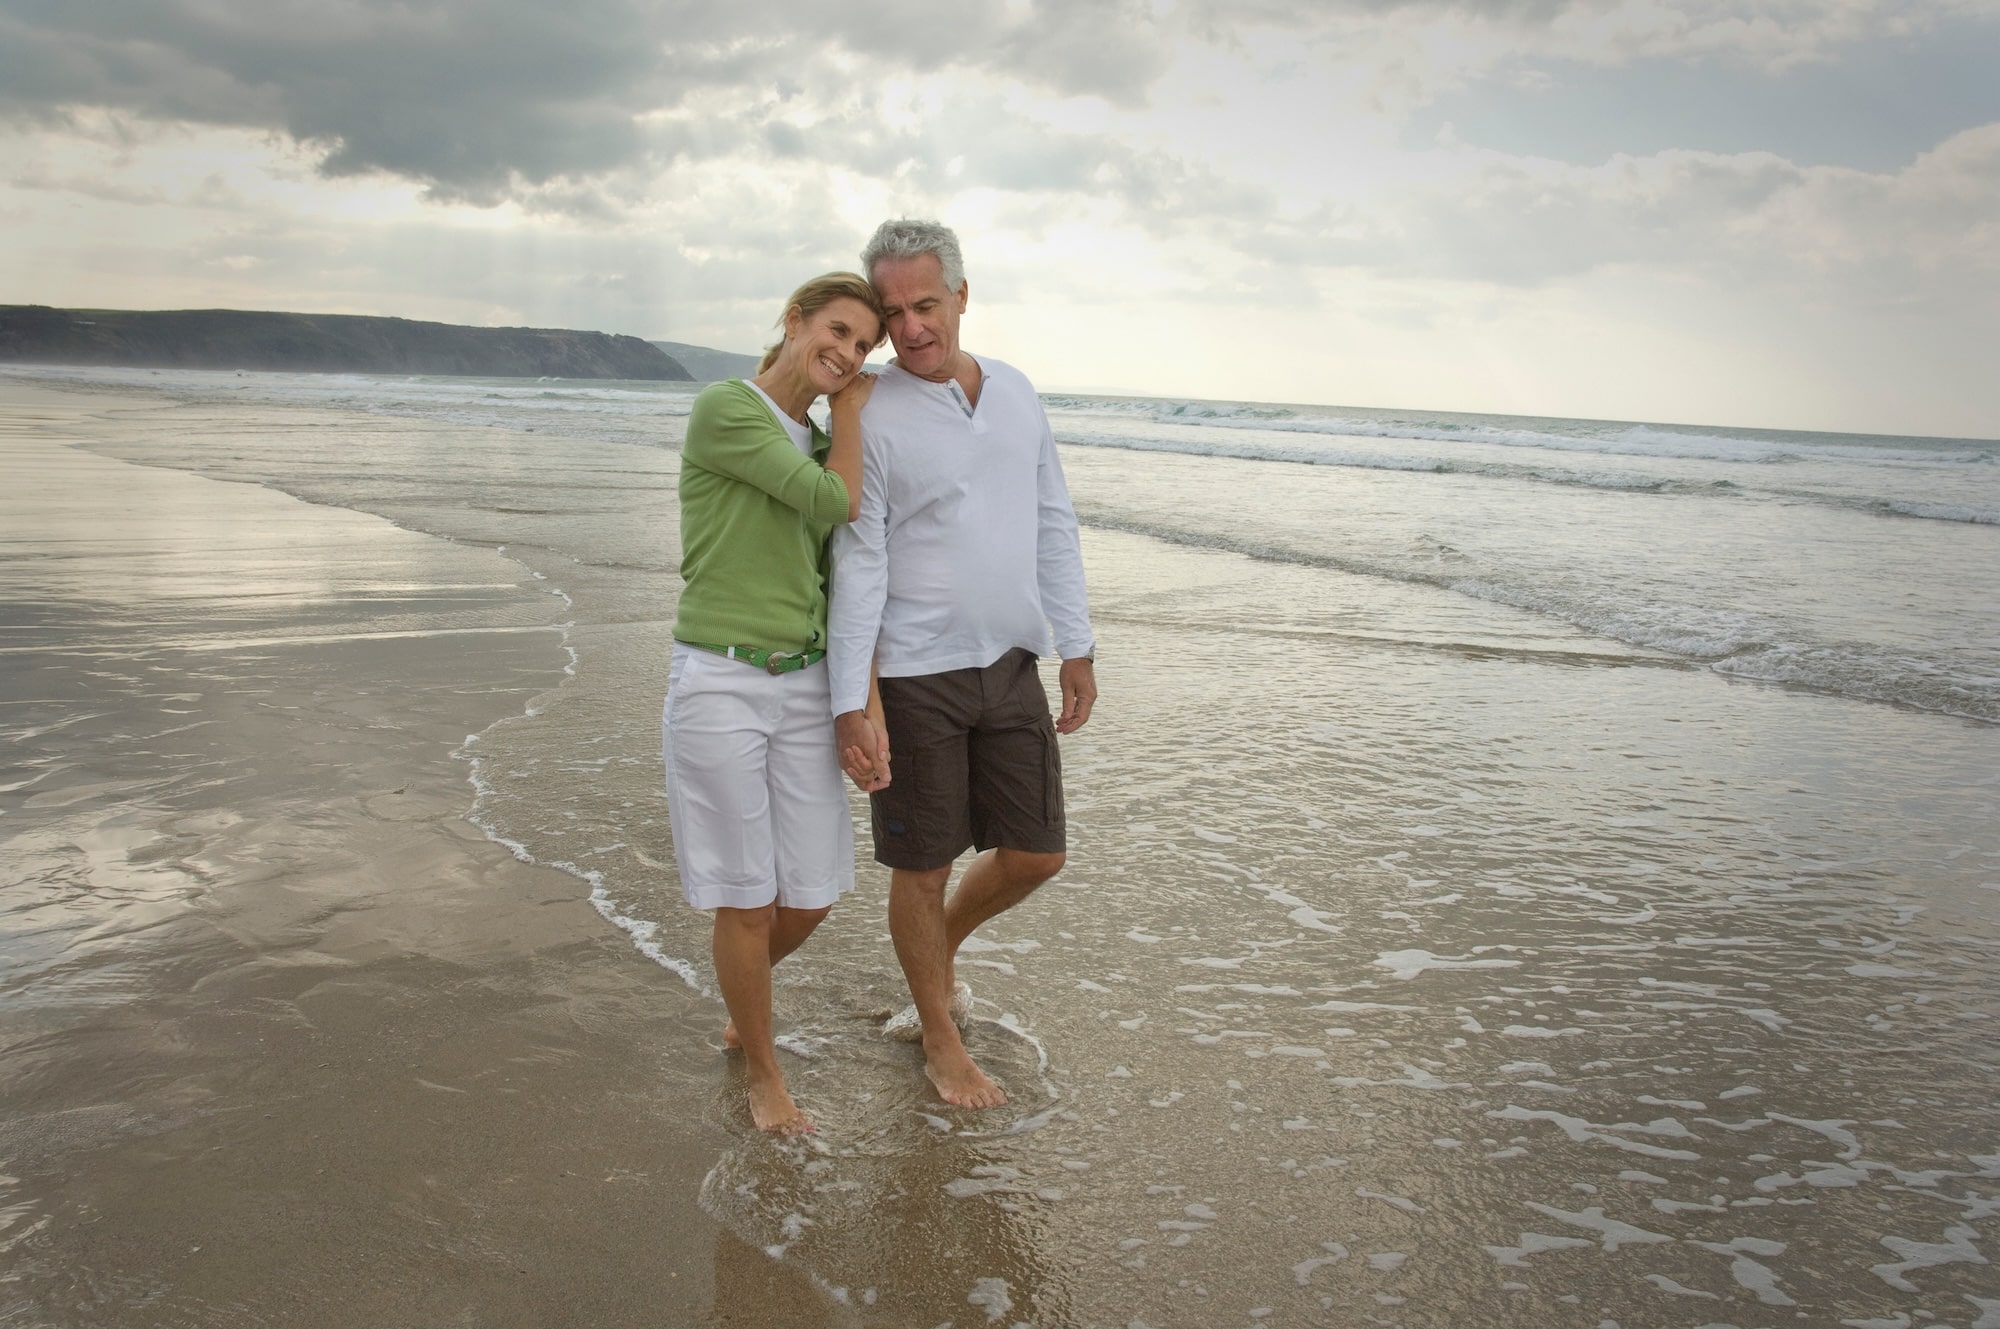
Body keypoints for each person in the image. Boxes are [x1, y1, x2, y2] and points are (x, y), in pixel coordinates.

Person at [829, 219, 1098, 1110]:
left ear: (963, 296)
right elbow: (859, 560)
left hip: (1011, 659)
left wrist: (1078, 642)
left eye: (927, 305)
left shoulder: (1016, 392)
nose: (911, 329)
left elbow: (1052, 517)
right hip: (914, 674)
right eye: (895, 312)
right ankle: (940, 1038)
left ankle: (929, 956)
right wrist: (850, 702)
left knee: (1036, 853)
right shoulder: (873, 412)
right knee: (924, 864)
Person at [663, 272, 888, 1134]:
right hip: (719, 677)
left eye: (864, 346)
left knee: (816, 890)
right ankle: (763, 1069)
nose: (847, 353)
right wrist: (858, 414)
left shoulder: (821, 434)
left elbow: (842, 582)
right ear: (794, 322)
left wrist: (863, 702)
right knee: (747, 898)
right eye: (837, 331)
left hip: (803, 680)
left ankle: (741, 989)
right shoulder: (728, 409)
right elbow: (838, 503)